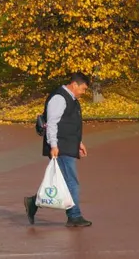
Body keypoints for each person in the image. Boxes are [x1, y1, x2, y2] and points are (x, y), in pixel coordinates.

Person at [24, 72, 91, 228]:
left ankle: (34, 202)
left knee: (66, 182)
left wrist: (78, 142)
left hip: (68, 145)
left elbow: (69, 124)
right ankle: (74, 216)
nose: (83, 92)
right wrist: (53, 145)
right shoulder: (59, 98)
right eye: (83, 89)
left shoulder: (72, 99)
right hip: (60, 147)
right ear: (74, 85)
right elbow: (52, 124)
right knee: (71, 182)